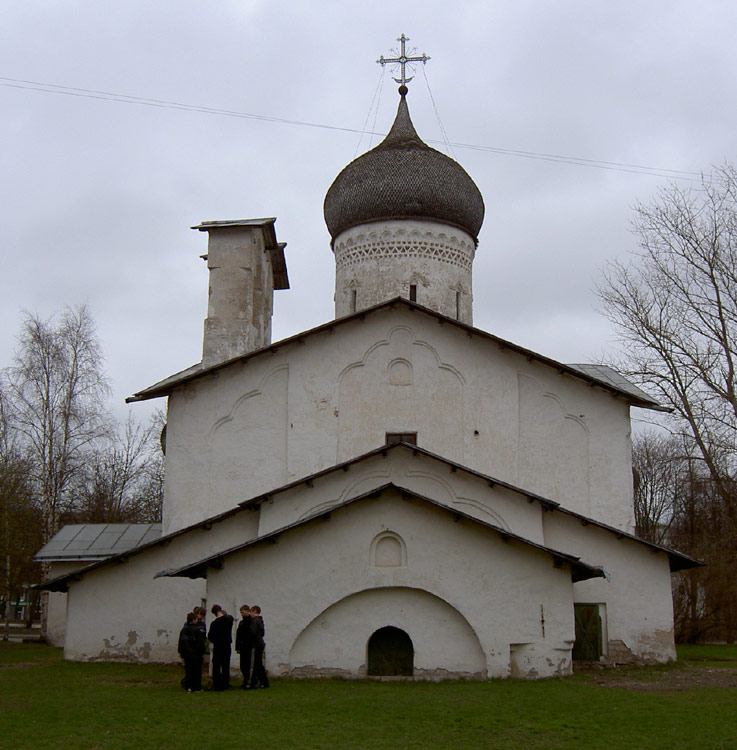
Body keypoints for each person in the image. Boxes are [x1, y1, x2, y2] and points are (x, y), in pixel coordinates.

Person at [207, 604, 234, 690]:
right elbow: (229, 617)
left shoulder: (214, 624)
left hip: (218, 646)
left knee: (217, 665)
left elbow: (210, 637)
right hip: (226, 646)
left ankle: (217, 684)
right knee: (226, 665)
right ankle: (225, 683)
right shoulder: (229, 619)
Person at [177, 611, 206, 692]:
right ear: (193, 620)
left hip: (186, 654)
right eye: (196, 619)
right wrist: (202, 652)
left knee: (188, 671)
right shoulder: (197, 631)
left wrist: (181, 653)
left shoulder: (183, 630)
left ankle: (188, 687)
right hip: (196, 655)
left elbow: (181, 643)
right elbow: (200, 644)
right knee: (196, 672)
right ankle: (197, 687)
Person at [248, 605, 269, 689]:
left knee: (257, 664)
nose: (251, 614)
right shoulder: (260, 620)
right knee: (258, 663)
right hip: (260, 643)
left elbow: (252, 632)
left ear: (255, 611)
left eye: (251, 612)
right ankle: (261, 681)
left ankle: (257, 682)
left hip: (256, 643)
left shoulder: (255, 621)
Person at [235, 604, 253, 689]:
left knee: (247, 664)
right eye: (241, 612)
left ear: (248, 611)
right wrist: (237, 647)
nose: (242, 614)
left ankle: (248, 681)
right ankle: (245, 680)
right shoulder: (241, 622)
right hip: (242, 646)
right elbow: (238, 635)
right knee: (243, 665)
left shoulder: (250, 621)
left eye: (243, 612)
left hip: (248, 646)